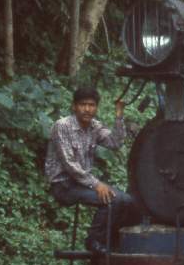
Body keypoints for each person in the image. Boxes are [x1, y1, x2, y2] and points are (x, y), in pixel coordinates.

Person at [45, 86, 142, 254]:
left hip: (82, 184)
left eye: (91, 105)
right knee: (111, 200)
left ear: (96, 108)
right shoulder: (62, 126)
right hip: (63, 185)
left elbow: (115, 143)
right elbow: (69, 164)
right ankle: (93, 241)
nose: (87, 109)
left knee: (127, 201)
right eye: (83, 104)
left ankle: (110, 241)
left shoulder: (94, 127)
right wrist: (97, 184)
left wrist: (119, 115)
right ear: (74, 106)